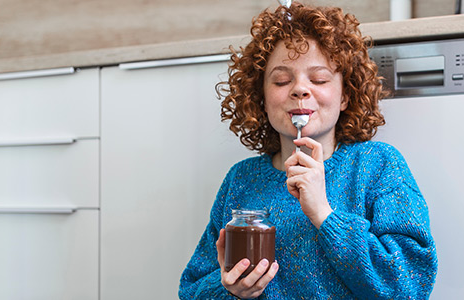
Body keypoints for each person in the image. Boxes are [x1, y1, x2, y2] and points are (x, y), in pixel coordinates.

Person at [179, 2, 437, 299]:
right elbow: (192, 289)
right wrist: (230, 290)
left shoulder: (379, 165)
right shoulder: (241, 180)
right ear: (261, 98)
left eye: (319, 79)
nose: (300, 89)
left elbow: (410, 286)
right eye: (281, 80)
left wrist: (325, 215)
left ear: (344, 96)